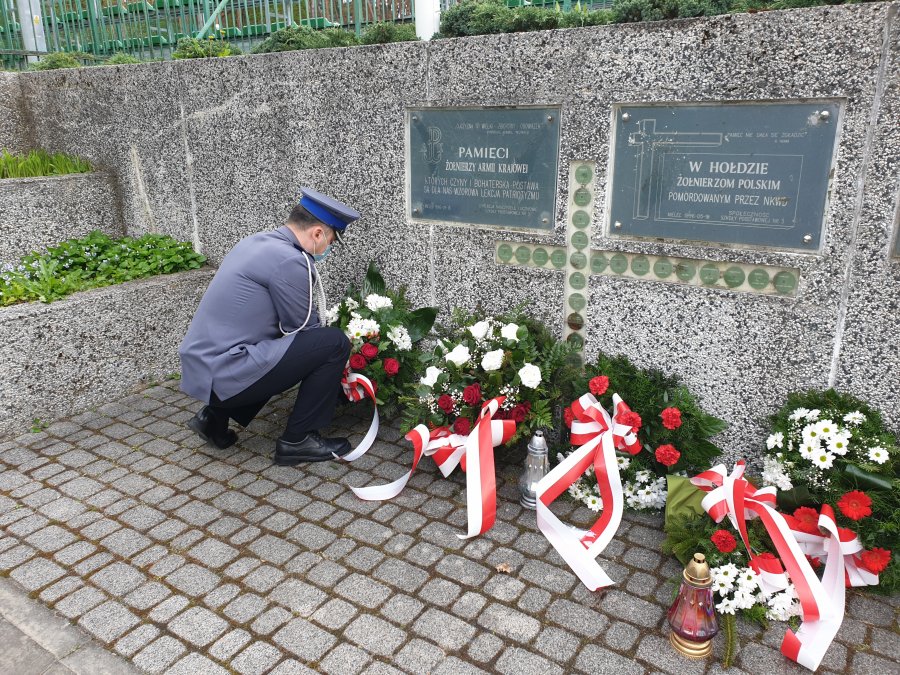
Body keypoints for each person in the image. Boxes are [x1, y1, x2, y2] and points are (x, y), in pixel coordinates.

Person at [178, 187, 358, 466]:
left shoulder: (257, 241)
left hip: (204, 369)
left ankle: (212, 419)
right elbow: (304, 331)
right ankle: (298, 440)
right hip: (225, 372)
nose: (328, 249)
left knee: (273, 349)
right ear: (318, 234)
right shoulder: (290, 260)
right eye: (332, 241)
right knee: (333, 344)